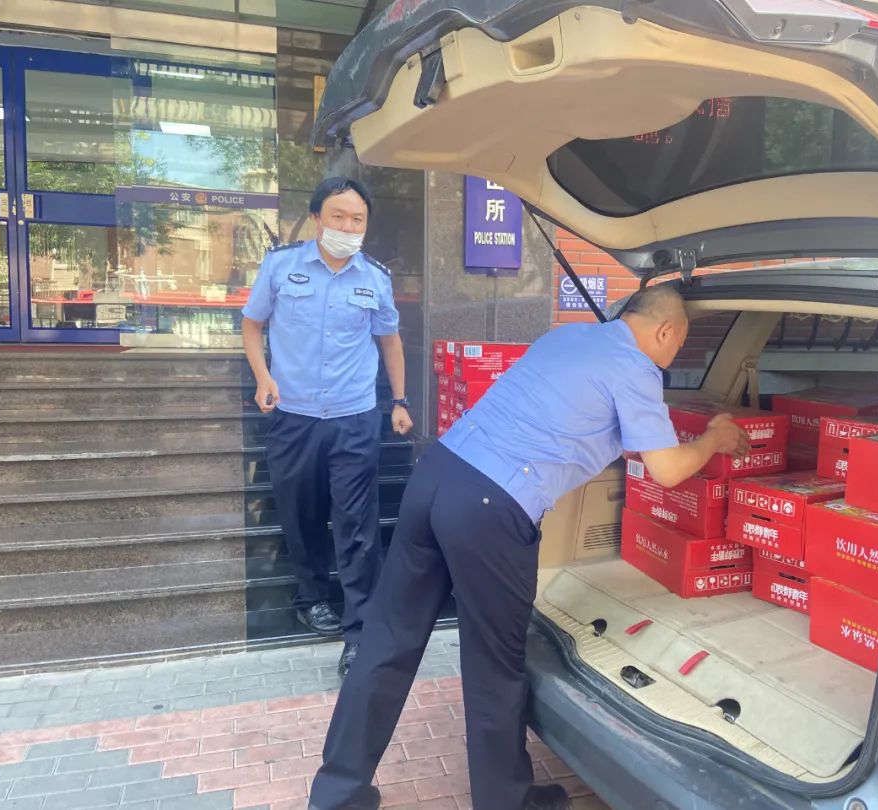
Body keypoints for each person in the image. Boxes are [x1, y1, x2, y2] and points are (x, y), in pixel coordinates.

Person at [307, 284, 749, 810]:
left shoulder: (568, 336)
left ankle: (336, 794)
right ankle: (505, 802)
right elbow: (668, 469)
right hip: (490, 508)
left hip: (435, 474)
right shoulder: (636, 368)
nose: (676, 353)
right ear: (665, 330)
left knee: (387, 641)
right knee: (494, 665)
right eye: (679, 342)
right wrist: (714, 439)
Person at [241, 177, 413, 679]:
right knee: (302, 514)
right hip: (292, 415)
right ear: (317, 218)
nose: (348, 226)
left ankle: (360, 631)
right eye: (338, 216)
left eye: (358, 219)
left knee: (358, 526)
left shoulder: (375, 278)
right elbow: (252, 325)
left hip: (354, 416)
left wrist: (399, 401)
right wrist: (263, 377)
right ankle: (312, 597)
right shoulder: (281, 266)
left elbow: (390, 342)